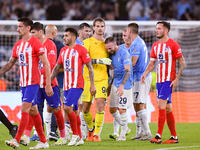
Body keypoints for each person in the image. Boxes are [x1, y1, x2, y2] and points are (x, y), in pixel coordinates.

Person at [3, 17, 53, 149]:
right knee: (33, 110)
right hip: (23, 83)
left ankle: (16, 139)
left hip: (33, 82)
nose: (18, 29)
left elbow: (47, 64)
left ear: (28, 28)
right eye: (18, 26)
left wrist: (48, 84)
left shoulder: (36, 43)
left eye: (20, 27)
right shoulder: (18, 44)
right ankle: (43, 141)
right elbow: (10, 64)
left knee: (25, 108)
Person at [20, 22, 66, 146]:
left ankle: (63, 136)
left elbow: (50, 65)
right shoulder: (32, 44)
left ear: (40, 32)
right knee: (32, 109)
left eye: (33, 32)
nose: (31, 35)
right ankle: (26, 136)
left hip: (48, 83)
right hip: (35, 84)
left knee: (56, 109)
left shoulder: (50, 44)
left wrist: (47, 82)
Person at [141, 21, 185, 144]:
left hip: (168, 80)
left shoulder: (174, 44)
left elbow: (182, 63)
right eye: (156, 28)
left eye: (159, 28)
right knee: (167, 108)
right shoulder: (155, 45)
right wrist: (144, 74)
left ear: (166, 30)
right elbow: (152, 64)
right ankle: (174, 137)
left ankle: (158, 136)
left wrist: (176, 79)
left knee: (161, 106)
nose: (156, 30)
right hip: (159, 81)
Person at [51, 27, 96, 146]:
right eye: (64, 35)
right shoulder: (63, 50)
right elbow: (57, 67)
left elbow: (89, 67)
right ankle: (80, 137)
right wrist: (48, 81)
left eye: (66, 35)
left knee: (67, 108)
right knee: (75, 111)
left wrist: (92, 85)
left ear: (73, 37)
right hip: (66, 85)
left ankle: (75, 135)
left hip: (77, 84)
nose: (64, 38)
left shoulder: (81, 49)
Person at [81, 17, 112, 142]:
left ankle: (97, 134)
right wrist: (100, 61)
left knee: (100, 106)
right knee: (85, 108)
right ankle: (90, 128)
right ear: (93, 28)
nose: (100, 28)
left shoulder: (107, 44)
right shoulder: (87, 42)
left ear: (104, 28)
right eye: (97, 26)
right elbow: (84, 60)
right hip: (87, 79)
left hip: (102, 79)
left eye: (102, 26)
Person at [126, 23, 153, 141]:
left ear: (130, 32)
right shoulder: (138, 42)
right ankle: (140, 132)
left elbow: (133, 62)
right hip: (140, 77)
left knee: (140, 104)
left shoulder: (136, 43)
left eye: (127, 31)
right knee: (137, 104)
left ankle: (147, 133)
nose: (126, 34)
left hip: (141, 77)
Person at [105, 37, 133, 141]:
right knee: (112, 109)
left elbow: (128, 71)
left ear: (115, 44)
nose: (109, 50)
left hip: (125, 85)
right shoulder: (110, 55)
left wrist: (122, 86)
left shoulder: (124, 53)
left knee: (122, 109)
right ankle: (125, 128)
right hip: (115, 83)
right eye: (107, 49)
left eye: (110, 48)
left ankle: (122, 135)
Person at [45, 24, 68, 141]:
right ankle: (53, 131)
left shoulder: (39, 44)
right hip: (58, 81)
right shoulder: (59, 46)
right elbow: (65, 65)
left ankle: (45, 132)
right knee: (56, 106)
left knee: (43, 106)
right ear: (54, 33)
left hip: (42, 80)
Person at [76, 22, 91, 140]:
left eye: (89, 31)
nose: (88, 33)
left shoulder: (88, 43)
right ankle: (80, 131)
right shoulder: (74, 43)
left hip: (86, 79)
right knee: (76, 106)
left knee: (84, 106)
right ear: (80, 31)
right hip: (74, 79)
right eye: (86, 31)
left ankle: (84, 131)